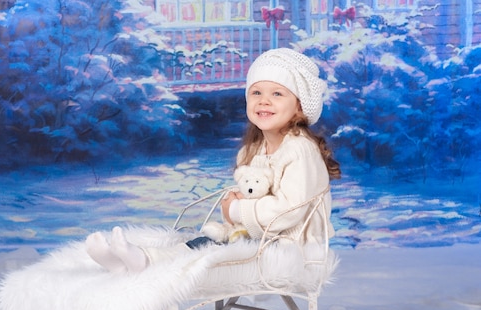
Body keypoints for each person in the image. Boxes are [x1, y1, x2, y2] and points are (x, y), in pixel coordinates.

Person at [85, 48, 341, 274]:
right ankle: (133, 261)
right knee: (200, 243)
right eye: (256, 92)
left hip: (292, 249)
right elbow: (256, 193)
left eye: (277, 93)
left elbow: (289, 212)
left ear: (298, 107)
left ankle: (144, 261)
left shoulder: (299, 149)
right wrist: (235, 202)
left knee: (209, 252)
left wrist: (236, 210)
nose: (264, 100)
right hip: (261, 238)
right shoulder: (256, 149)